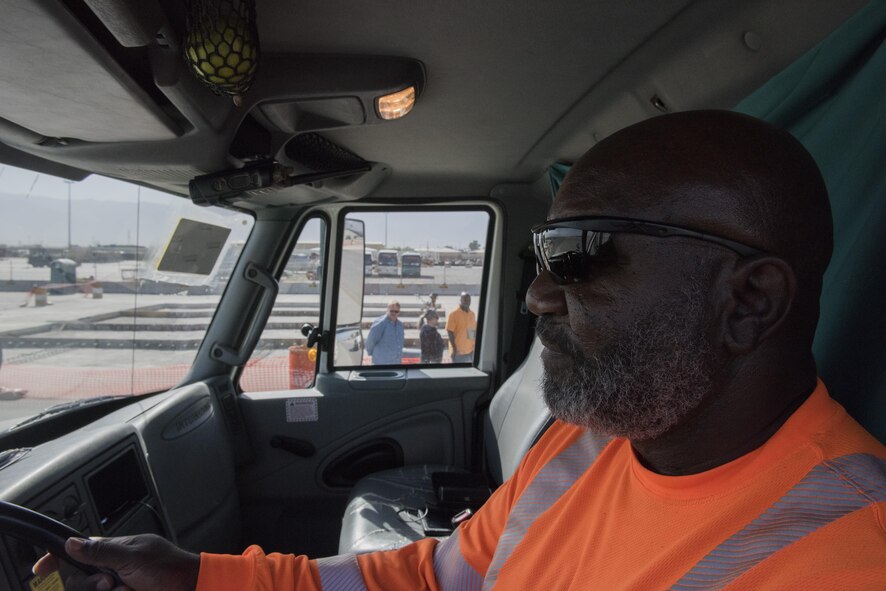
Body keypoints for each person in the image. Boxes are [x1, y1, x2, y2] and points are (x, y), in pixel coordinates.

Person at [35, 111, 886, 590]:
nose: (536, 295)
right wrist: (199, 579)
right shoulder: (587, 443)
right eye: (535, 258)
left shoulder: (844, 553)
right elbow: (440, 575)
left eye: (580, 255)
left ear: (751, 299)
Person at [363, 300, 404, 365]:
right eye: (391, 311)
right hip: (381, 364)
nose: (394, 313)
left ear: (399, 312)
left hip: (396, 363)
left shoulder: (400, 325)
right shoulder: (380, 323)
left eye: (396, 311)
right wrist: (372, 354)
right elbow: (370, 341)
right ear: (387, 310)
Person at [445, 292, 476, 362]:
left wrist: (473, 345)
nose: (467, 302)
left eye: (469, 300)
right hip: (458, 353)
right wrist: (454, 349)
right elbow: (450, 332)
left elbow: (471, 331)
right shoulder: (453, 314)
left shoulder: (472, 314)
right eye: (465, 300)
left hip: (470, 352)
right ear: (460, 300)